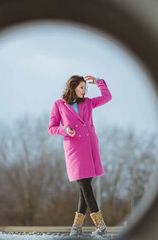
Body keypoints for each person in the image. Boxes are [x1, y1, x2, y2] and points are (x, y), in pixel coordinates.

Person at [48, 75, 112, 236]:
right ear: (73, 87)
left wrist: (99, 81)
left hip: (90, 147)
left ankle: (76, 229)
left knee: (85, 188)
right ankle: (101, 226)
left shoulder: (88, 102)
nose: (84, 91)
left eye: (85, 87)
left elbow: (107, 97)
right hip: (74, 149)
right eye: (82, 87)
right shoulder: (59, 104)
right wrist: (64, 130)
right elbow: (52, 127)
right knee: (85, 186)